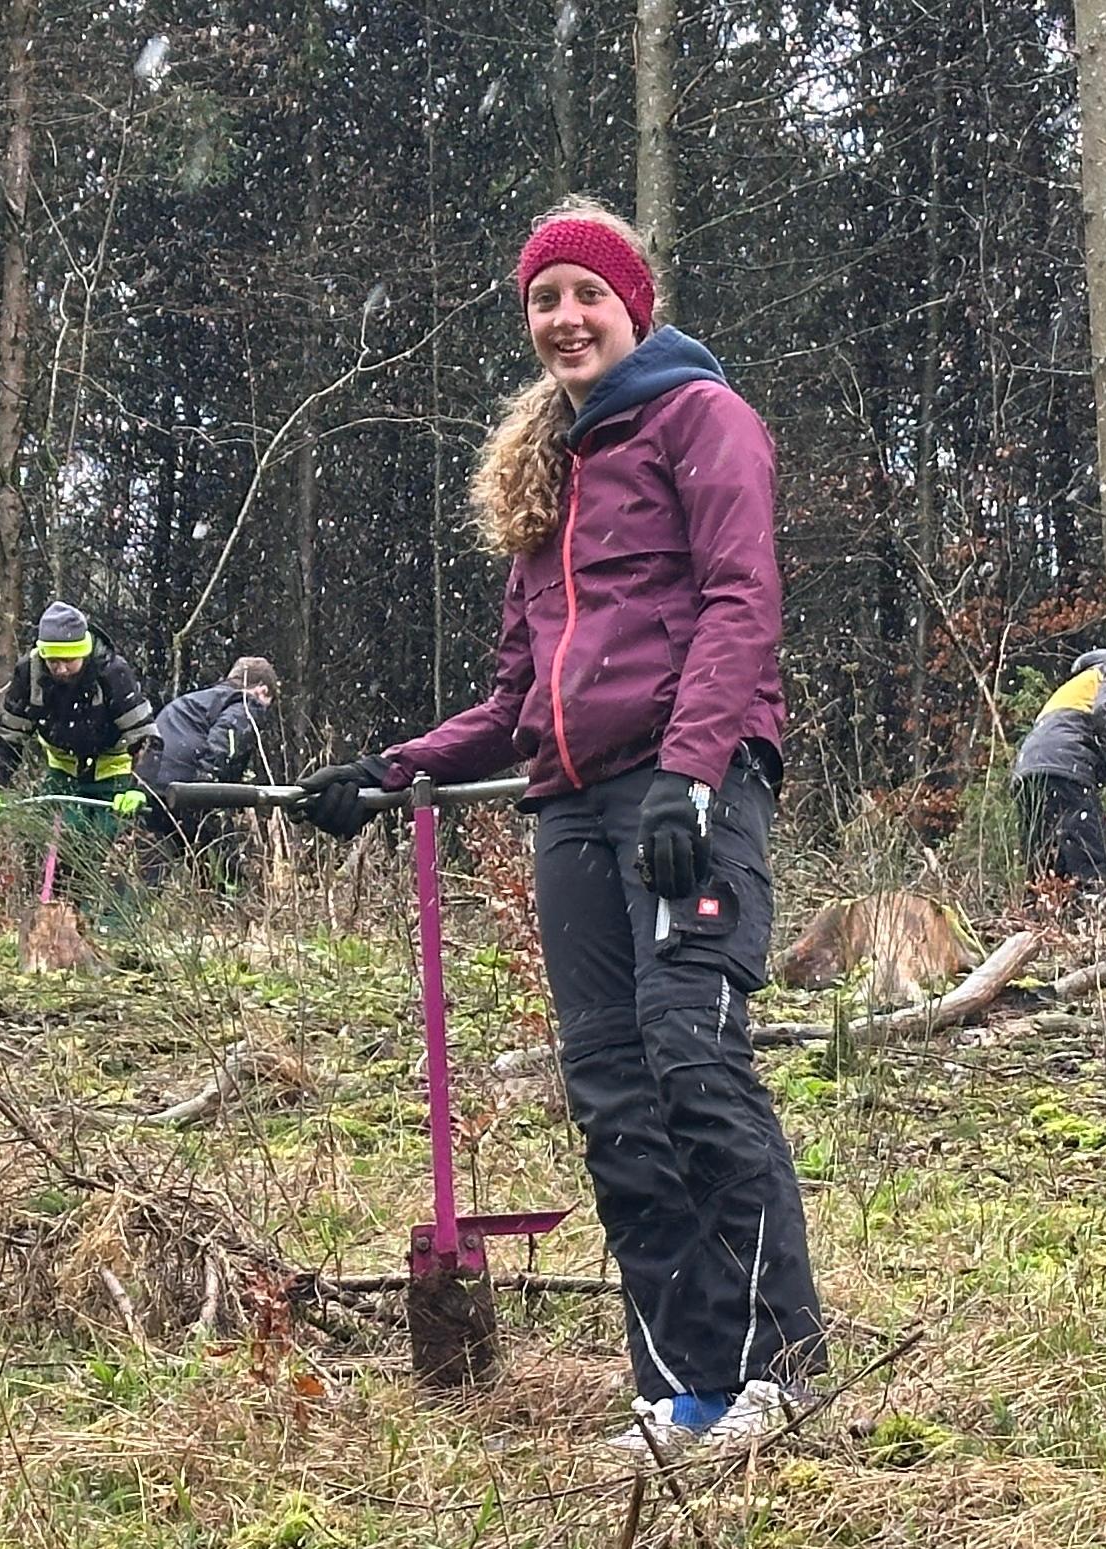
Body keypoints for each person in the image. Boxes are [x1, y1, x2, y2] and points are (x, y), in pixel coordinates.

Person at [294, 197, 825, 1462]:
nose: (564, 317)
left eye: (585, 294)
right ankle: (686, 1388)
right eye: (542, 300)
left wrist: (689, 776)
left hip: (686, 786)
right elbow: (513, 699)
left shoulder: (701, 419)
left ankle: (783, 1372)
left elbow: (742, 600)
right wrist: (386, 770)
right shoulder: (547, 470)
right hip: (571, 811)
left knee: (689, 1057)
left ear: (629, 306)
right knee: (610, 1092)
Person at [0, 601, 156, 844]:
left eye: (69, 660)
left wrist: (139, 788)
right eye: (53, 661)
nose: (61, 669)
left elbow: (146, 736)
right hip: (62, 776)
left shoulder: (112, 672)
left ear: (83, 653)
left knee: (106, 854)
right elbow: (7, 740)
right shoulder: (30, 674)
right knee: (48, 846)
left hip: (114, 777)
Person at [1010, 647, 1106, 887]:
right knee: (1093, 869)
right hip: (1065, 767)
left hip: (1029, 770)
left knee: (1048, 874)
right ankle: (1097, 917)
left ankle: (1045, 922)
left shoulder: (1082, 682)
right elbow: (1105, 714)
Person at [138, 656, 278, 871]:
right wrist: (210, 786)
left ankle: (137, 902)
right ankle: (226, 901)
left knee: (153, 866)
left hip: (152, 786)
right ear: (262, 690)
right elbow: (225, 741)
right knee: (222, 868)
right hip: (191, 789)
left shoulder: (194, 701)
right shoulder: (245, 703)